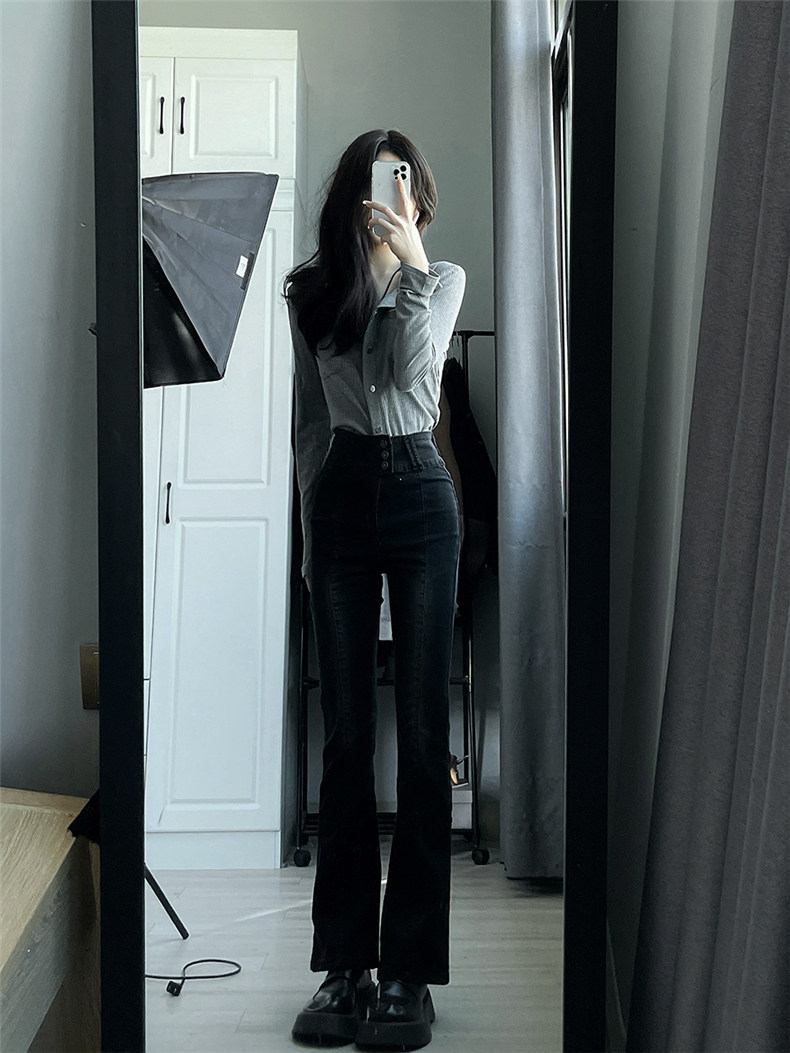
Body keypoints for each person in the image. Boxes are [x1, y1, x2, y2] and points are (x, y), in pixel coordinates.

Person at [284, 129, 466, 1051]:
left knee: (424, 735)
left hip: (421, 492)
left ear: (417, 199)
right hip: (344, 493)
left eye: (405, 186)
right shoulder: (311, 291)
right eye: (379, 186)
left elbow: (409, 376)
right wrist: (310, 531)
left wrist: (412, 266)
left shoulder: (443, 280)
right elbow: (310, 424)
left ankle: (408, 972)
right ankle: (345, 965)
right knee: (347, 736)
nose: (393, 200)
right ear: (351, 198)